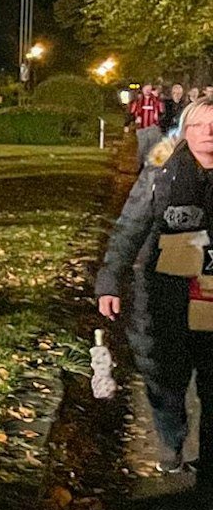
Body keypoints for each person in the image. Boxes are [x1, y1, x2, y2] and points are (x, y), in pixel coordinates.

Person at [99, 101, 213, 474]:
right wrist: (109, 281)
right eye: (199, 126)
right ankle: (172, 442)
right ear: (185, 131)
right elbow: (131, 226)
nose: (208, 134)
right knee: (165, 374)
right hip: (165, 291)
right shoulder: (161, 172)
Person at [132, 83, 169, 162]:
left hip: (153, 128)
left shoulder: (156, 101)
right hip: (142, 128)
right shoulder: (138, 101)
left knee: (153, 148)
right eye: (146, 89)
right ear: (142, 90)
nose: (148, 91)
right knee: (142, 148)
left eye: (149, 89)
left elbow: (162, 112)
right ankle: (141, 166)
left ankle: (151, 166)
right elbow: (132, 112)